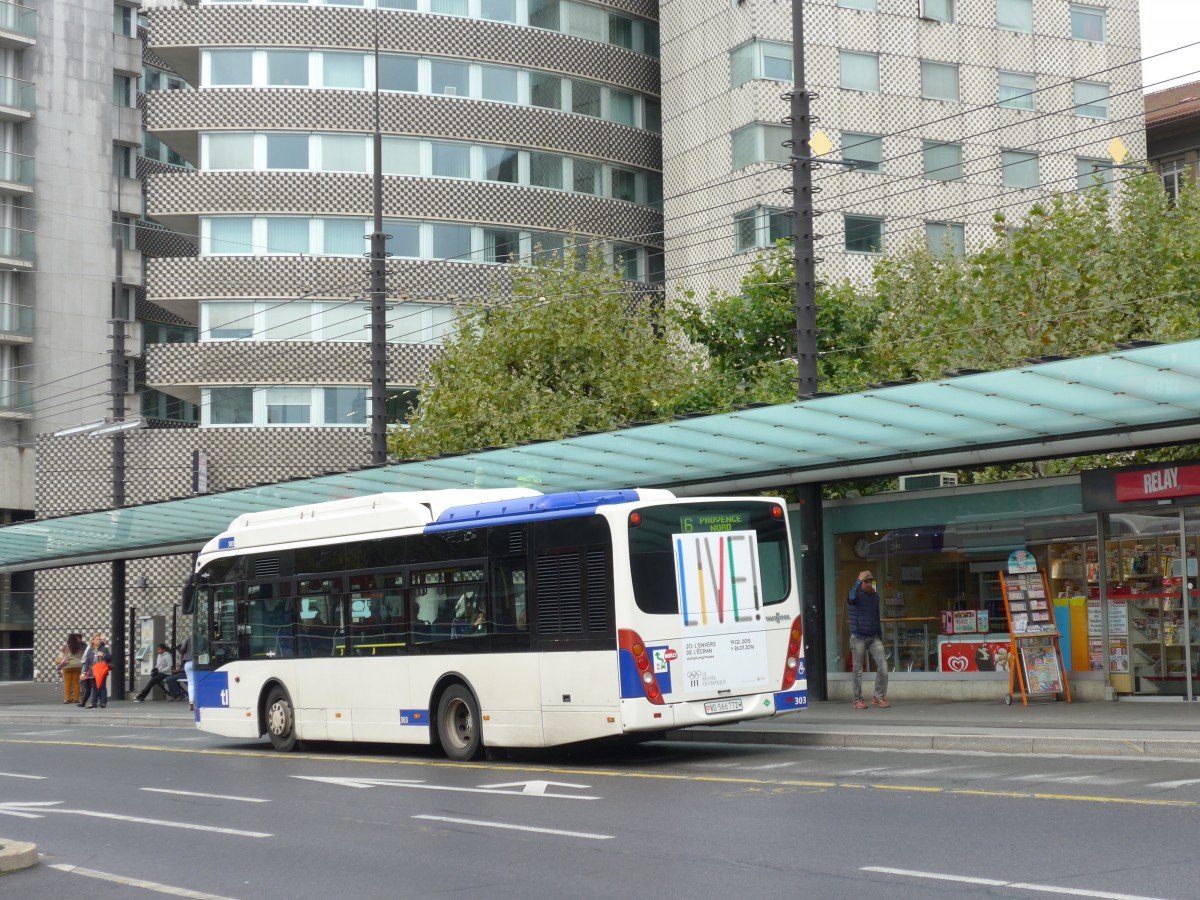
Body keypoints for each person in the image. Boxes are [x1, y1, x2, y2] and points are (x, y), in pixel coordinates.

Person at [848, 569, 889, 710]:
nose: (869, 583)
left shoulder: (874, 596)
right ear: (861, 582)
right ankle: (857, 700)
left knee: (883, 666)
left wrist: (880, 635)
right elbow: (851, 598)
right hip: (858, 636)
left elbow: (876, 617)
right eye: (866, 581)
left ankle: (879, 696)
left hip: (873, 636)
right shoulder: (855, 594)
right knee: (858, 670)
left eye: (870, 581)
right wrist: (857, 581)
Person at [86, 634, 112, 709]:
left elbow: (109, 658)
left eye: (99, 639)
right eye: (97, 639)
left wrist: (103, 655)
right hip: (92, 671)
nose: (99, 641)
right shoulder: (90, 650)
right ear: (93, 641)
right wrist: (84, 672)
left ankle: (103, 702)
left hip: (101, 670)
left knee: (102, 686)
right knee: (94, 687)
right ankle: (93, 703)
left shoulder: (104, 649)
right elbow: (87, 661)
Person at [58, 633, 85, 704]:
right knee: (76, 683)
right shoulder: (79, 647)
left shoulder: (66, 647)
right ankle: (76, 699)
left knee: (67, 683)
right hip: (78, 666)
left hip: (68, 666)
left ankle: (67, 699)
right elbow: (82, 656)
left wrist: (59, 662)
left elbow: (60, 656)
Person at [164, 635, 191, 704]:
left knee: (170, 679)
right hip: (182, 672)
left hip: (185, 673)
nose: (179, 652)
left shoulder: (186, 656)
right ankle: (174, 694)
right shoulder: (183, 656)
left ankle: (177, 694)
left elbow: (185, 668)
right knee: (169, 678)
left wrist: (178, 670)